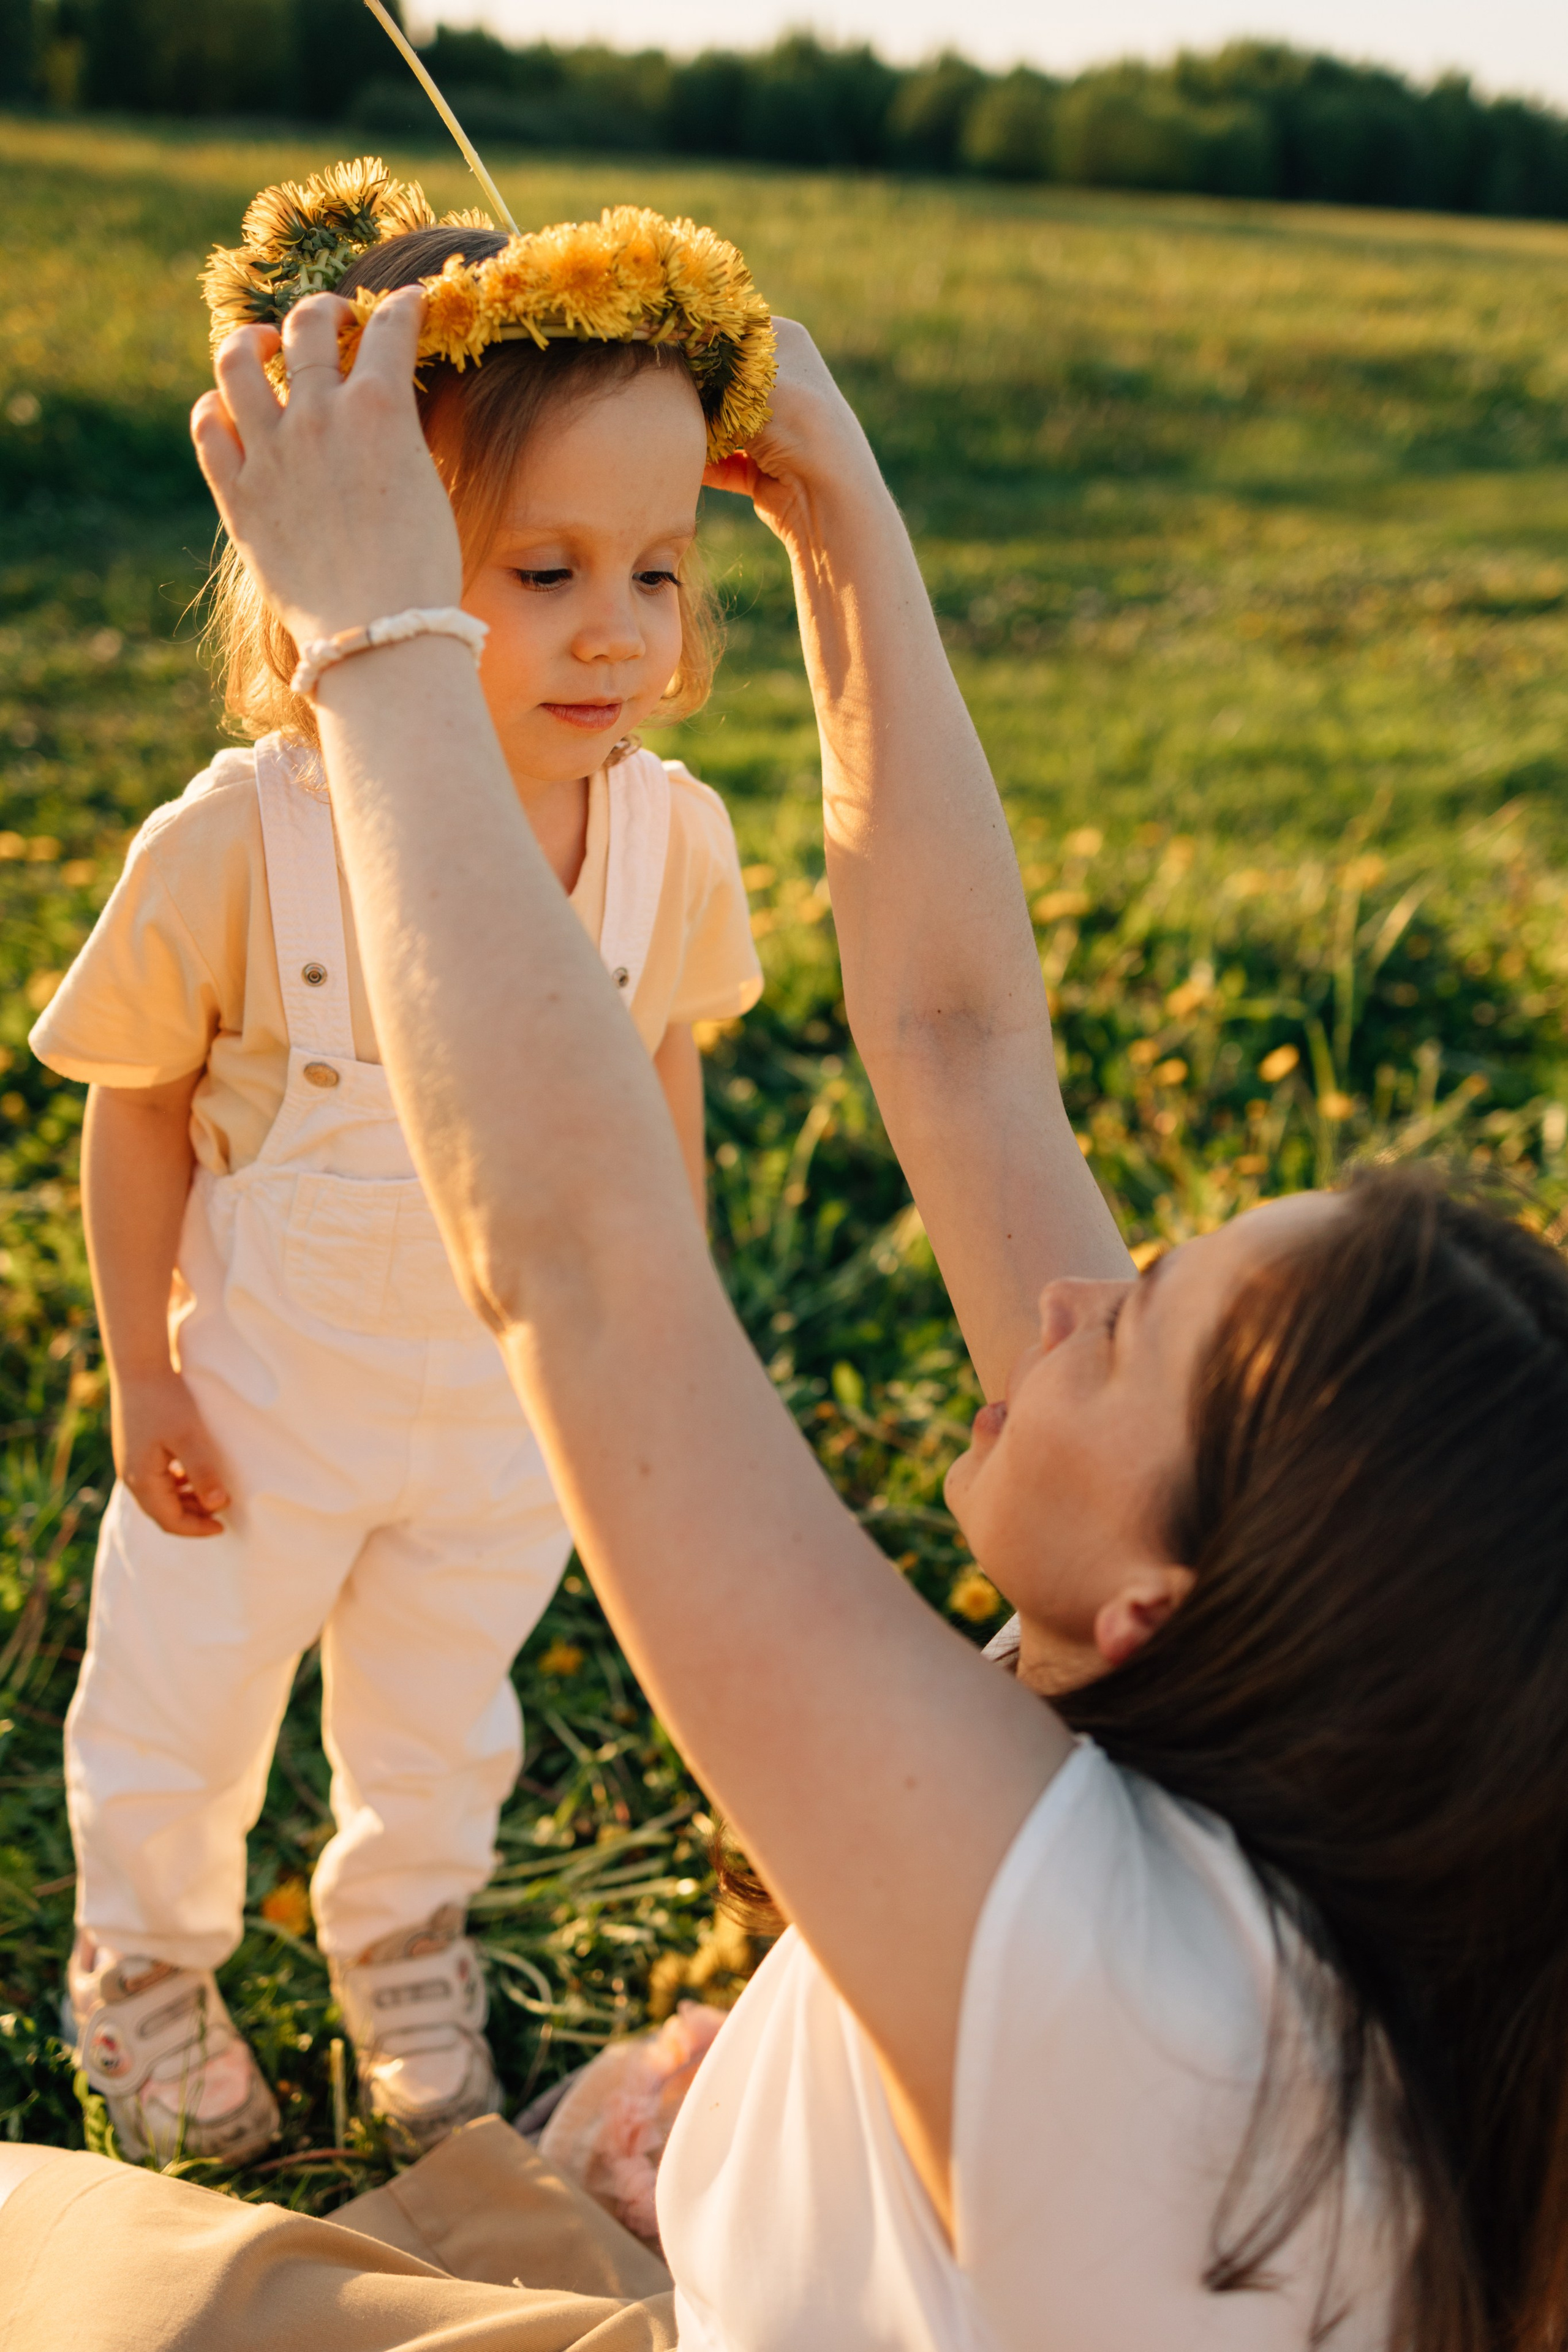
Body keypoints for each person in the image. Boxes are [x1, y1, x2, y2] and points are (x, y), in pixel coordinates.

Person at [3, 285, 1568, 2352]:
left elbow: (579, 1256)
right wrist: (841, 524)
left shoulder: (1102, 1972)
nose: (1069, 1300)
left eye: (1137, 1327)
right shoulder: (1401, 1887)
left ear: (1166, 1616)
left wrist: (382, 638)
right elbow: (962, 1043)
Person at [23, 164, 766, 2165]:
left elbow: (663, 1060)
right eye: (542, 574)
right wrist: (149, 1364)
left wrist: (664, 1320)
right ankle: (147, 1964)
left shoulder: (667, 840)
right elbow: (141, 1101)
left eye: (658, 571)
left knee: (448, 1698)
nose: (616, 633)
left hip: (509, 1407)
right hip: (266, 1395)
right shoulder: (245, 837)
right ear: (351, 562)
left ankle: (401, 1929)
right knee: (184, 1697)